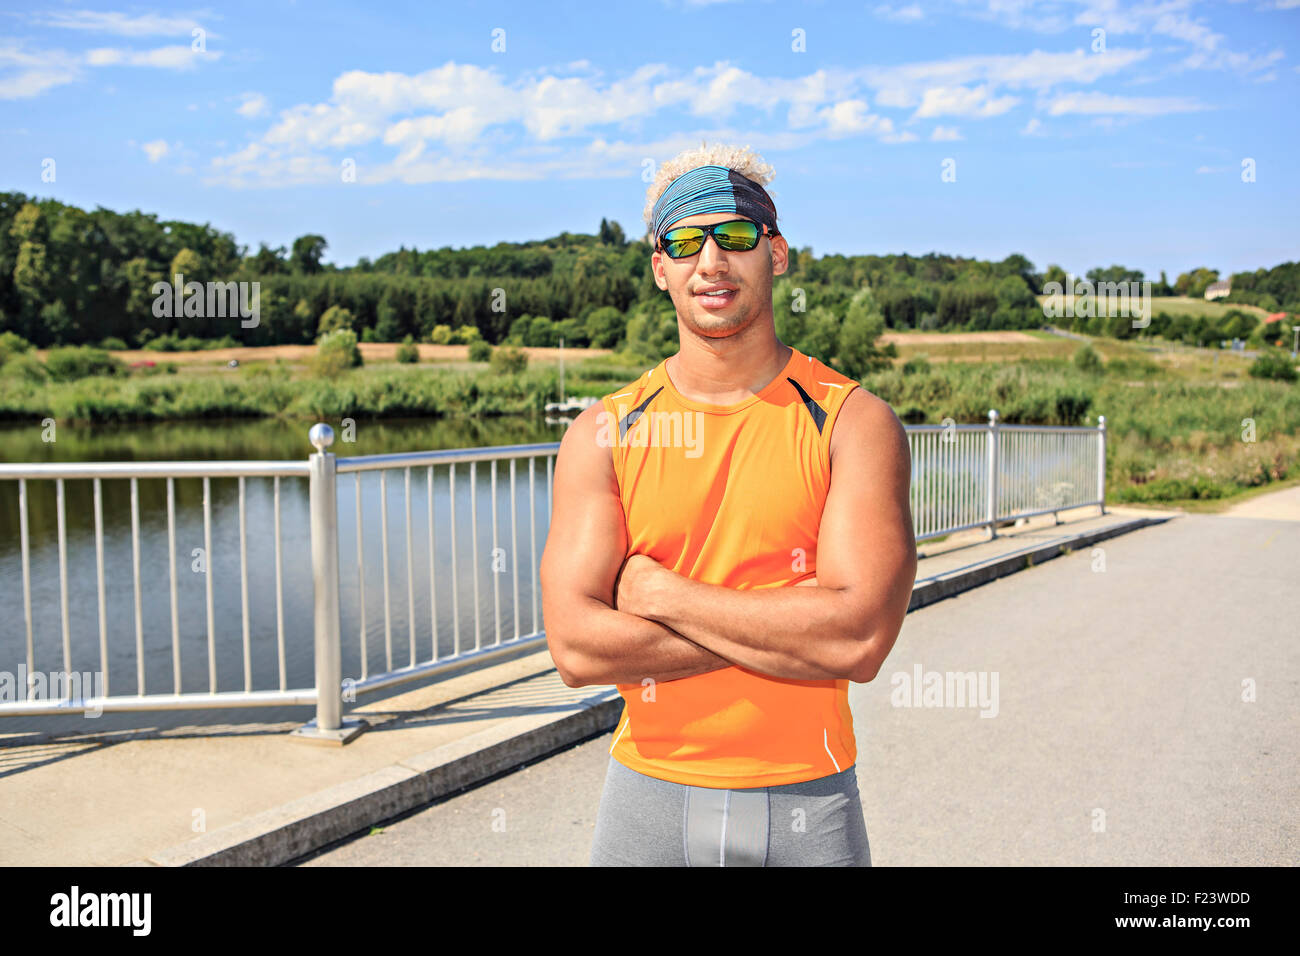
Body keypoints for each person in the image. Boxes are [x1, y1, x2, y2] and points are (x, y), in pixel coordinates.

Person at [540, 142, 916, 866]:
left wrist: (658, 593)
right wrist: (788, 625)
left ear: (775, 254)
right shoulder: (605, 432)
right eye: (683, 241)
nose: (710, 260)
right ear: (660, 268)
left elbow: (858, 641)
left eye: (734, 236)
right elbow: (577, 649)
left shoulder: (851, 421)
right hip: (646, 798)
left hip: (808, 801)